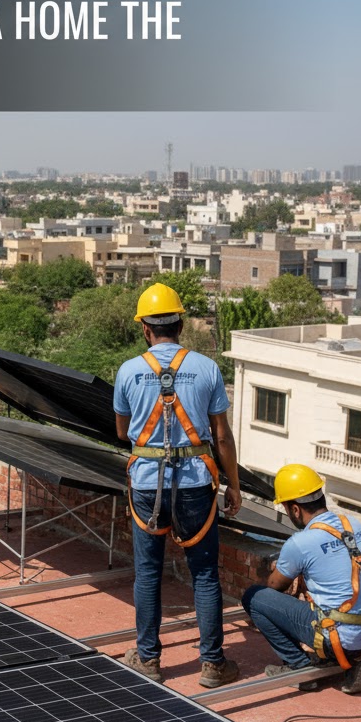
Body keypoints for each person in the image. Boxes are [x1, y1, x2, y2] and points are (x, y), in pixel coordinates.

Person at [114, 284, 242, 688]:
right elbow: (221, 436)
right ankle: (212, 664)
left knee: (148, 572)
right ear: (181, 324)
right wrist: (233, 485)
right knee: (204, 574)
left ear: (144, 330)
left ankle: (149, 658)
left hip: (147, 484)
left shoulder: (129, 370)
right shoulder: (206, 368)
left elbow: (122, 431)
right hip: (196, 484)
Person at [241, 464, 361, 694]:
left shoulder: (300, 543)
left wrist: (291, 568)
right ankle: (360, 661)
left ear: (295, 510)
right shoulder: (354, 524)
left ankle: (298, 667)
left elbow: (274, 587)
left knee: (255, 598)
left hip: (339, 637)